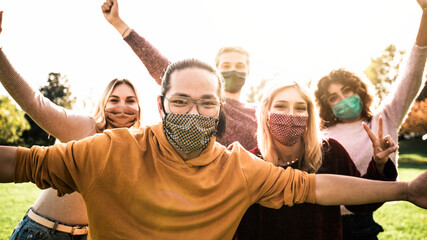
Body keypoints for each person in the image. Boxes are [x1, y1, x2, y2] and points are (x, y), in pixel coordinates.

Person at [1, 58, 427, 239]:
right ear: (160, 105)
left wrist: (405, 190)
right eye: (181, 102)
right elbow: (21, 162)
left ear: (220, 109)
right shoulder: (109, 150)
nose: (193, 112)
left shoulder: (238, 168)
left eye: (207, 103)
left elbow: (318, 189)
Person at [0, 12, 142, 239]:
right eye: (114, 100)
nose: (122, 107)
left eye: (130, 100)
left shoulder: (138, 147)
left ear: (139, 108)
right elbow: (35, 104)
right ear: (103, 105)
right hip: (41, 233)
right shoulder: (84, 129)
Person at [314, 1, 427, 239]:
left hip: (362, 224)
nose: (343, 99)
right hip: (321, 222)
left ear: (359, 91)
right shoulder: (320, 132)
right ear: (327, 105)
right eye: (334, 97)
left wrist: (426, 14)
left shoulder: (386, 117)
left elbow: (411, 73)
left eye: (347, 90)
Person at [234, 80, 397, 240]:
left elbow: (361, 204)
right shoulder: (250, 163)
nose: (290, 114)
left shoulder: (331, 152)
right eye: (280, 106)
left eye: (300, 108)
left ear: (309, 116)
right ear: (266, 113)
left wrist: (380, 164)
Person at [101, 0, 258, 150]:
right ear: (216, 72)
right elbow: (158, 63)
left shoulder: (259, 113)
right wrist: (118, 23)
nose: (233, 70)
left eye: (239, 66)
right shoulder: (206, 104)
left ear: (248, 70)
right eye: (226, 65)